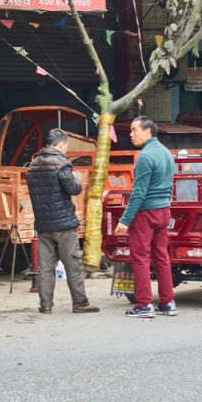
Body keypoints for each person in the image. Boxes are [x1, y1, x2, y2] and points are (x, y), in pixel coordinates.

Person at [26, 128, 99, 314]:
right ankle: (80, 303)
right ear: (61, 145)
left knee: (45, 267)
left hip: (43, 224)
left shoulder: (33, 165)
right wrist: (76, 178)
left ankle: (45, 305)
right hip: (64, 224)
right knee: (72, 264)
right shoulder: (62, 164)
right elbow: (74, 189)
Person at [115, 116, 177, 318]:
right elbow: (170, 184)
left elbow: (139, 192)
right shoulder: (166, 153)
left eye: (134, 130)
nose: (131, 134)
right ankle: (167, 303)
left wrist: (125, 220)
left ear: (148, 131)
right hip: (164, 211)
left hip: (146, 213)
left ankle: (144, 305)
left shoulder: (145, 156)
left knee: (140, 258)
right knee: (161, 257)